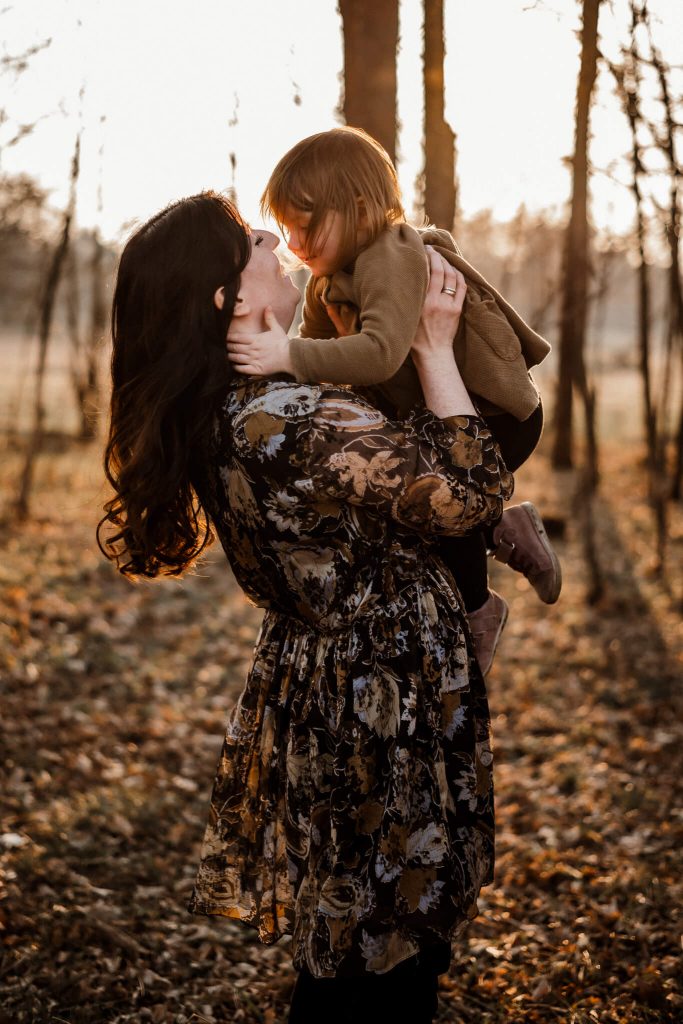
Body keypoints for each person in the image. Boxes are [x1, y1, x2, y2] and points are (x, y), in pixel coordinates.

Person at [97, 191, 514, 1023]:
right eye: (250, 239)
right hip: (381, 694)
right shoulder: (290, 416)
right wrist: (433, 347)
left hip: (331, 683)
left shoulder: (229, 411)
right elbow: (470, 494)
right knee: (384, 955)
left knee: (361, 931)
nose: (269, 238)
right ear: (231, 300)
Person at [226, 127, 562, 675]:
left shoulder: (392, 251)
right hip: (437, 419)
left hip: (496, 414)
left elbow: (378, 353)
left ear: (358, 209)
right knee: (426, 502)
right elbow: (326, 366)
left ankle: (479, 606)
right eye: (286, 228)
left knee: (439, 509)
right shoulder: (328, 277)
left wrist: (284, 355)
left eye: (304, 226)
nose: (293, 242)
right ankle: (504, 526)